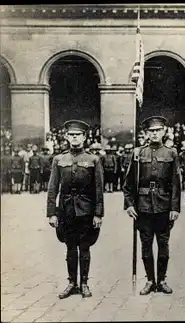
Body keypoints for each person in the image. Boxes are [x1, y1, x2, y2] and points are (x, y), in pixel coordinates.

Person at [123, 116, 181, 295]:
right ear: (146, 133)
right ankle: (149, 280)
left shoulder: (171, 153)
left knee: (163, 245)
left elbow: (176, 183)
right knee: (146, 245)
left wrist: (174, 208)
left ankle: (162, 280)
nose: (154, 134)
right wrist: (129, 204)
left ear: (164, 131)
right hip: (143, 207)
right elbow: (128, 183)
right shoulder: (138, 153)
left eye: (158, 130)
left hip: (163, 206)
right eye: (151, 131)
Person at [46, 120, 104, 299]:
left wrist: (98, 213)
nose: (74, 138)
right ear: (66, 137)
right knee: (70, 247)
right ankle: (72, 283)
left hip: (86, 211)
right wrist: (52, 213)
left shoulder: (93, 160)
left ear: (85, 137)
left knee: (84, 247)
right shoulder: (59, 159)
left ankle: (84, 283)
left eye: (78, 135)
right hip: (66, 211)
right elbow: (52, 187)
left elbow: (98, 189)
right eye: (71, 135)